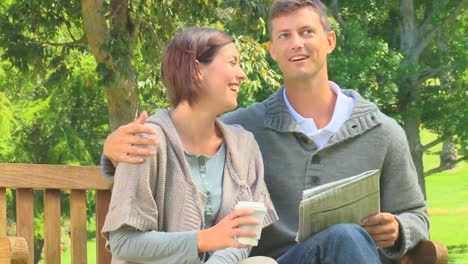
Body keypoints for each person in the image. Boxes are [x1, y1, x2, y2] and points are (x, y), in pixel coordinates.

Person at [101, 1, 429, 263]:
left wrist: (399, 230)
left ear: (330, 41)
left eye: (306, 32)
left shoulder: (383, 132)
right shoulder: (246, 128)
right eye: (284, 35)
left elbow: (415, 215)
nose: (296, 43)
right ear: (272, 49)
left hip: (349, 255)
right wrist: (111, 152)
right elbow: (182, 133)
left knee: (345, 237)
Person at [101, 27, 279, 264]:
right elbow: (124, 243)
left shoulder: (243, 146)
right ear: (196, 69)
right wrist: (202, 239)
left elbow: (243, 236)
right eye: (232, 62)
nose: (242, 74)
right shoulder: (146, 140)